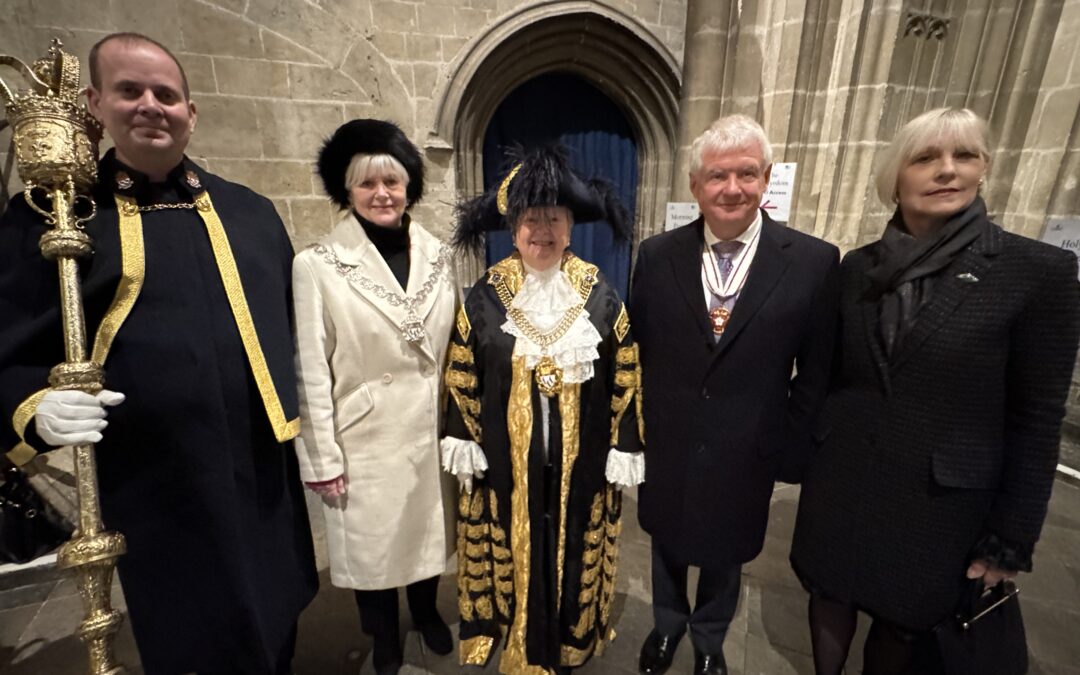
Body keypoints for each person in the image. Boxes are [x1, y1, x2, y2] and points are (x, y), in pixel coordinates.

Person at [0, 33, 317, 674]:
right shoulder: (57, 217)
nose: (150, 106)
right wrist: (35, 406)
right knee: (191, 630)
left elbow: (300, 332)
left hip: (263, 469)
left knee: (277, 612)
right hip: (157, 479)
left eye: (166, 94)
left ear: (190, 112)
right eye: (129, 91)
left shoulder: (251, 212)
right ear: (96, 105)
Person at [789, 107, 1080, 675]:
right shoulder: (856, 268)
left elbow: (1037, 418)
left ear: (984, 169)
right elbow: (823, 374)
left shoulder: (1036, 272)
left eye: (964, 156)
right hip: (843, 475)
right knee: (830, 592)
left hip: (940, 498)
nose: (947, 171)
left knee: (903, 621)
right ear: (895, 177)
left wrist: (1011, 536)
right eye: (926, 158)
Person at [631, 114, 840, 675]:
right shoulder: (655, 256)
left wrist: (787, 446)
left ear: (766, 178)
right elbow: (639, 353)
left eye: (746, 174)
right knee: (666, 541)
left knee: (727, 550)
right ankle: (667, 625)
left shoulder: (814, 262)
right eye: (717, 176)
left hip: (750, 443)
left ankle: (708, 638)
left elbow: (816, 371)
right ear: (695, 185)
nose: (731, 189)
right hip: (670, 437)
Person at [443, 145, 645, 673]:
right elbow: (461, 372)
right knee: (512, 546)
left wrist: (623, 444)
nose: (542, 230)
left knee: (575, 544)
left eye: (554, 219)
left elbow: (627, 372)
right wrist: (465, 438)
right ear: (512, 230)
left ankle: (571, 638)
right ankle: (512, 631)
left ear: (571, 227)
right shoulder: (485, 298)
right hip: (508, 467)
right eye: (530, 220)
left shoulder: (602, 296)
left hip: (582, 465)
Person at [292, 119, 457, 675]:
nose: (382, 194)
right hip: (364, 433)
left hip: (429, 424)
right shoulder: (317, 264)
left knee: (426, 534)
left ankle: (427, 613)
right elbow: (310, 367)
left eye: (393, 180)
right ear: (347, 190)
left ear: (411, 183)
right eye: (367, 184)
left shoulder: (439, 255)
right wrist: (321, 457)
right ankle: (383, 635)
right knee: (374, 547)